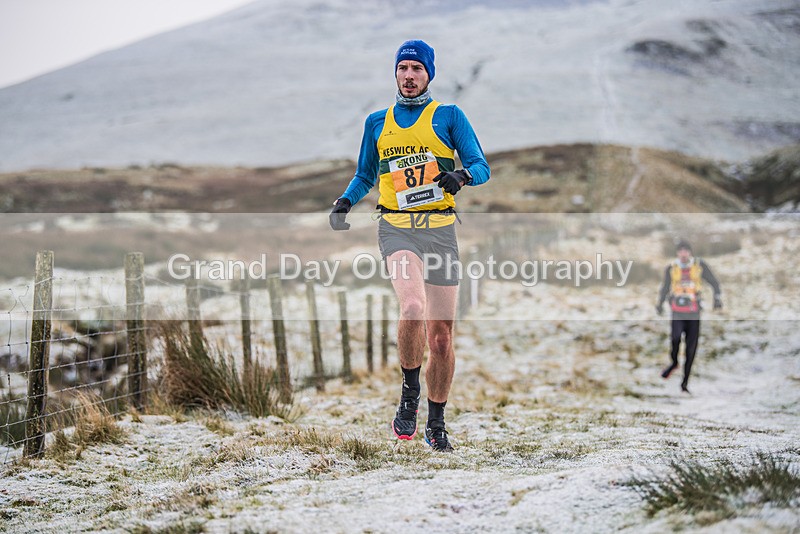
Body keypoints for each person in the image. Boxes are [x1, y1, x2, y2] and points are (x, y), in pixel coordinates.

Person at [329, 39, 490, 451]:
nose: (409, 75)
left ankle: (436, 424)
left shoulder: (449, 116)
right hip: (396, 228)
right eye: (403, 68)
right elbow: (366, 173)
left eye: (417, 69)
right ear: (395, 73)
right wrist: (346, 200)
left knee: (441, 338)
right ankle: (409, 394)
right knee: (413, 307)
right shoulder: (377, 122)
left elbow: (481, 166)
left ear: (428, 74)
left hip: (439, 230)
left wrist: (461, 177)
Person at [656, 240, 722, 393]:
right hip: (677, 310)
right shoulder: (671, 268)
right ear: (677, 253)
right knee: (675, 338)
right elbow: (665, 287)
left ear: (690, 252)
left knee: (691, 349)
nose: (683, 253)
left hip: (693, 311)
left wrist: (717, 298)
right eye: (681, 250)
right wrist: (659, 303)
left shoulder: (699, 266)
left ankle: (685, 383)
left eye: (686, 250)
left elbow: (714, 283)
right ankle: (674, 363)